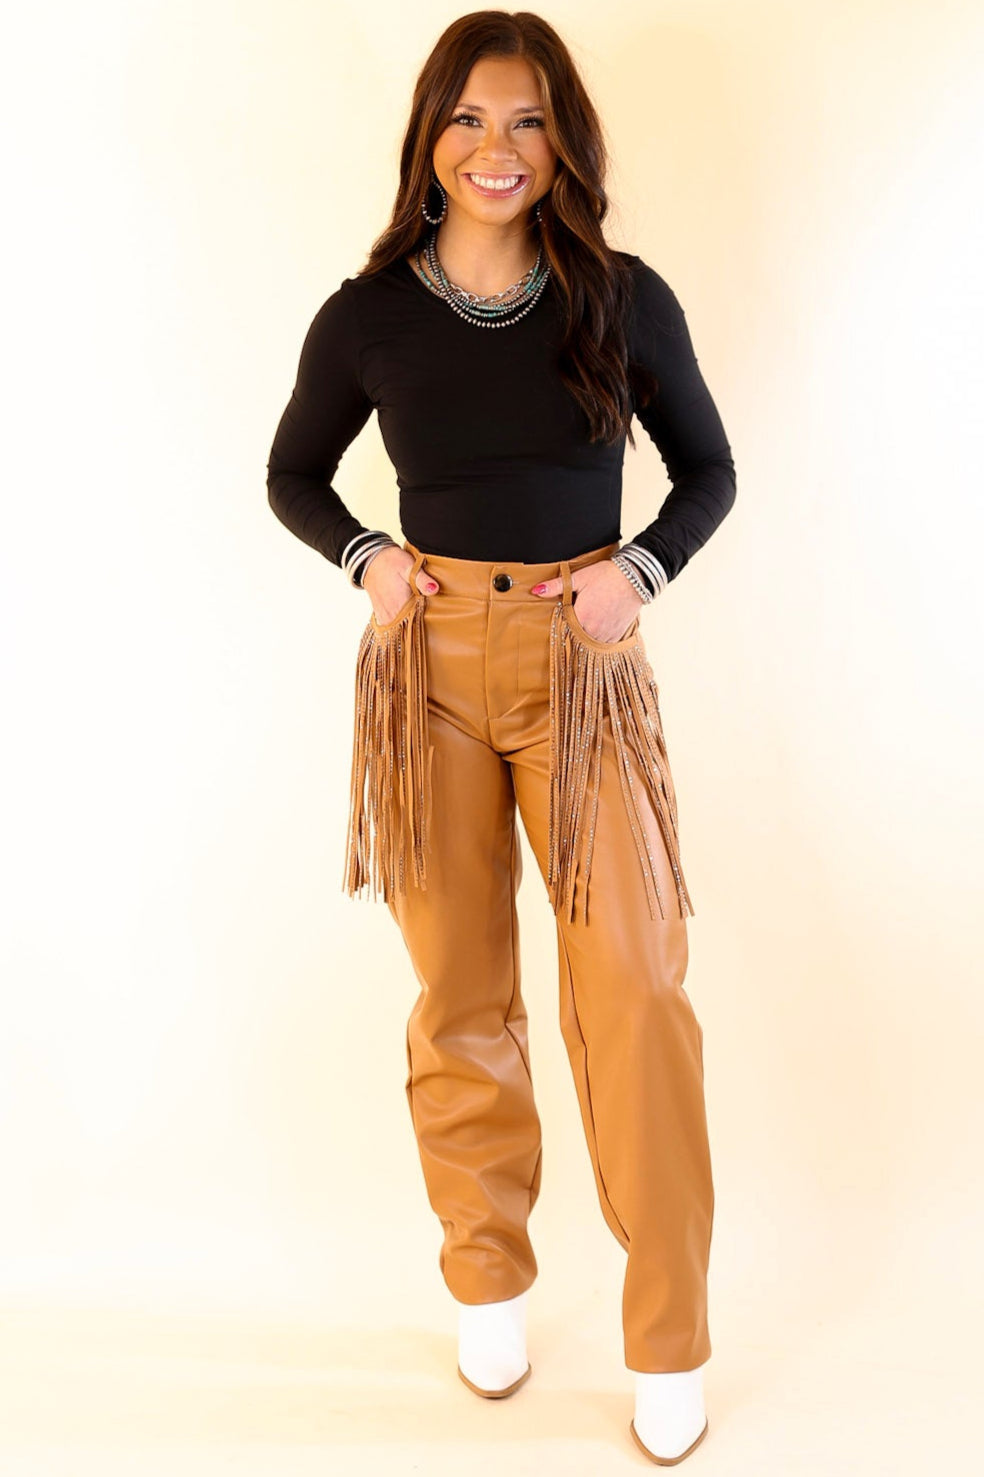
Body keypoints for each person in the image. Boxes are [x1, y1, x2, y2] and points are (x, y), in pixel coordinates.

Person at [266, 11, 736, 1467]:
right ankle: (488, 1281)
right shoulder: (367, 316)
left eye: (527, 121)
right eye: (469, 119)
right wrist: (366, 557)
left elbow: (709, 471)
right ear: (430, 136)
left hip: (580, 665)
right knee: (461, 989)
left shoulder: (622, 298)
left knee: (635, 988)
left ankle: (670, 1335)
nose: (496, 149)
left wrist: (637, 571)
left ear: (562, 143)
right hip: (427, 670)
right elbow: (293, 473)